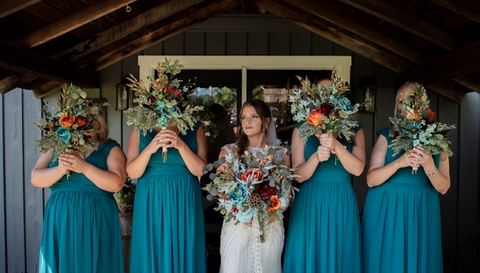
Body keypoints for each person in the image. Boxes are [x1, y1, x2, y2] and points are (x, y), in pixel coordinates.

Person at [362, 82, 450, 273]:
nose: (403, 105)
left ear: (422, 103)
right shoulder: (385, 136)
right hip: (387, 209)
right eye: (399, 101)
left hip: (421, 208)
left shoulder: (438, 140)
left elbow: (444, 187)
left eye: (408, 99)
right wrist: (399, 163)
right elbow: (371, 180)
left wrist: (428, 165)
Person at [283, 76, 365, 273]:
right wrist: (316, 158)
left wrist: (336, 145)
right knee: (308, 255)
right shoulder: (301, 130)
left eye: (333, 93)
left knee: (340, 255)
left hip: (341, 201)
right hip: (310, 201)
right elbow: (297, 176)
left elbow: (358, 169)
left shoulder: (355, 131)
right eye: (323, 93)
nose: (328, 97)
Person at [32, 114, 126, 273]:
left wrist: (84, 168)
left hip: (96, 218)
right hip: (61, 218)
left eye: (86, 122)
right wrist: (61, 169)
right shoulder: (56, 145)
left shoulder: (110, 148)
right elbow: (35, 178)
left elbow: (117, 183)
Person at [218, 99, 290, 273]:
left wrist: (268, 218)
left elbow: (286, 194)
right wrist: (243, 215)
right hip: (238, 227)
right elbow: (222, 193)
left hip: (269, 227)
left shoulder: (281, 155)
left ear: (266, 121)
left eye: (253, 117)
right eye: (243, 118)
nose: (247, 122)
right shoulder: (228, 152)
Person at [127, 120, 208, 272]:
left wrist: (181, 145)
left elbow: (201, 171)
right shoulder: (140, 126)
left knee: (184, 243)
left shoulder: (195, 126)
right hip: (151, 196)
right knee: (151, 245)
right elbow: (132, 172)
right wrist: (150, 149)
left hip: (183, 196)